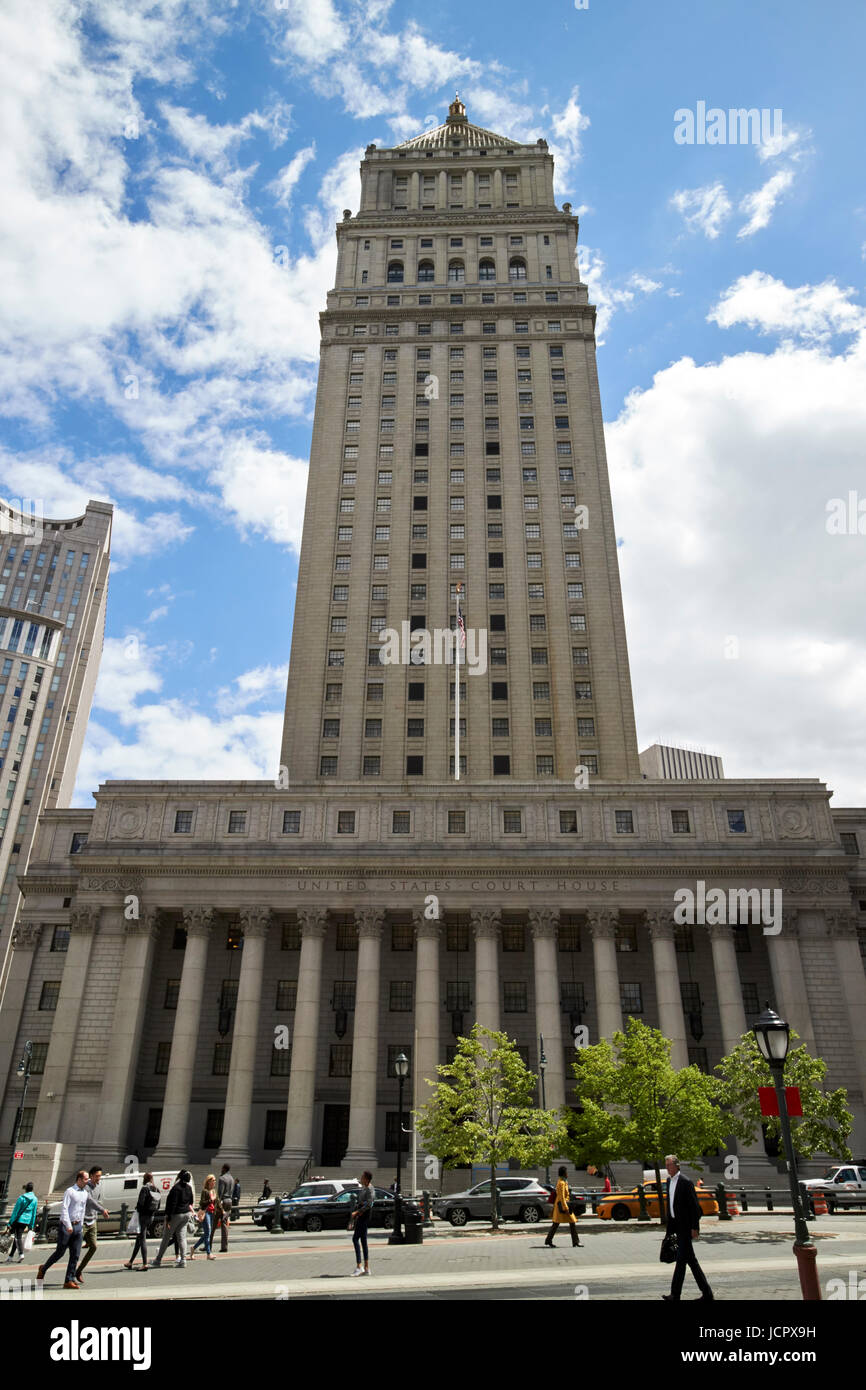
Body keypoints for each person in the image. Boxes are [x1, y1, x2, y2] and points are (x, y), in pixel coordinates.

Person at [37, 1170, 105, 1289]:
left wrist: (82, 1222)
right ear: (79, 1179)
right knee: (60, 1252)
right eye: (85, 1179)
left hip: (78, 1226)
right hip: (66, 1226)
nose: (87, 1181)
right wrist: (68, 1226)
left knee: (75, 1254)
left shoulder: (84, 1193)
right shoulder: (70, 1191)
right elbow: (64, 1209)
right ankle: (43, 1268)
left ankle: (68, 1280)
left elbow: (84, 1208)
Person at [662, 1155, 713, 1301]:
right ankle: (707, 1293)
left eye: (669, 1165)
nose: (667, 1168)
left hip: (685, 1227)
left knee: (681, 1261)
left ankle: (675, 1294)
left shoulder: (686, 1182)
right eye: (666, 1165)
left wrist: (695, 1227)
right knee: (691, 1261)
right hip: (675, 1226)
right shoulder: (668, 1181)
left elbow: (695, 1207)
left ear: (677, 1165)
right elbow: (671, 1204)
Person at [151, 1170, 195, 1268]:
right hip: (186, 1214)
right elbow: (191, 1201)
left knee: (166, 1237)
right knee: (182, 1237)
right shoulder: (189, 1188)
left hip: (176, 1214)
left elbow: (172, 1203)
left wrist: (168, 1216)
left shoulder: (176, 1188)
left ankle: (158, 1260)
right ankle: (183, 1260)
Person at [75, 1165, 107, 1284]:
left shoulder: (98, 1187)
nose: (99, 1178)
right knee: (76, 1248)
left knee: (93, 1247)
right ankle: (71, 1272)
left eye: (100, 1176)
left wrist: (97, 1213)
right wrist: (102, 1210)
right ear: (91, 1176)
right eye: (97, 1176)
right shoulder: (86, 1187)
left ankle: (79, 1270)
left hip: (92, 1221)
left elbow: (96, 1201)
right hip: (83, 1221)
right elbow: (90, 1201)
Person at [124, 1173, 159, 1271]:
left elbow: (140, 1203)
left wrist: (138, 1209)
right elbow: (158, 1205)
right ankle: (130, 1262)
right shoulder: (156, 1189)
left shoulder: (145, 1189)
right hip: (151, 1216)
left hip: (143, 1216)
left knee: (142, 1239)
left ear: (144, 1179)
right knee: (138, 1239)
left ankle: (144, 1264)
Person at [544, 1165, 582, 1248]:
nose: (567, 1174)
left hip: (562, 1205)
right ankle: (575, 1242)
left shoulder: (563, 1181)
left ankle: (549, 1240)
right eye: (566, 1172)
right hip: (562, 1206)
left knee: (559, 1223)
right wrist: (566, 1207)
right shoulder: (561, 1183)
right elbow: (561, 1196)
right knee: (565, 1222)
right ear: (564, 1173)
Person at [5, 1181, 38, 1263]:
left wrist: (10, 1222)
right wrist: (31, 1224)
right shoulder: (35, 1199)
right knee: (17, 1237)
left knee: (17, 1237)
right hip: (26, 1220)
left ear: (26, 1189)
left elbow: (15, 1211)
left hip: (19, 1219)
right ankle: (10, 1256)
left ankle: (21, 1254)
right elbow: (34, 1213)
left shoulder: (21, 1198)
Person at [348, 1171, 374, 1276]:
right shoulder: (365, 1188)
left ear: (367, 1179)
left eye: (362, 1177)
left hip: (364, 1216)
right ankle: (367, 1267)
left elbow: (369, 1204)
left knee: (355, 1239)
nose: (361, 1179)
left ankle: (359, 1266)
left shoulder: (370, 1189)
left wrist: (357, 1212)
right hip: (361, 1216)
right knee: (363, 1241)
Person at [190, 1175, 218, 1260]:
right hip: (206, 1213)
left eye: (215, 1180)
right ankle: (208, 1254)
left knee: (207, 1234)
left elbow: (217, 1201)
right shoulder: (205, 1191)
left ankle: (193, 1248)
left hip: (212, 1212)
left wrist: (221, 1209)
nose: (214, 1182)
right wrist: (210, 1200)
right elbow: (202, 1203)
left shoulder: (213, 1191)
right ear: (209, 1181)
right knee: (208, 1233)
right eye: (213, 1180)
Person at [217, 1165, 233, 1253]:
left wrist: (218, 1204)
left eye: (222, 1168)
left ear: (224, 1169)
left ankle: (223, 1246)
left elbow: (220, 1193)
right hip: (230, 1201)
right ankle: (224, 1245)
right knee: (224, 1222)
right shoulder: (232, 1178)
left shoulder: (222, 1178)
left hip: (223, 1201)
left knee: (220, 1223)